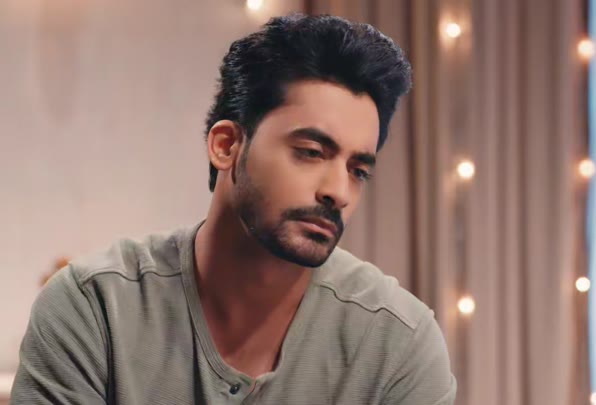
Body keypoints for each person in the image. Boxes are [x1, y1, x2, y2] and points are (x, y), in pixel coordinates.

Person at [11, 13, 456, 405]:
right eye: (310, 152)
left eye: (358, 171)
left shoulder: (398, 343)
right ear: (227, 146)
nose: (338, 192)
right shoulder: (94, 308)